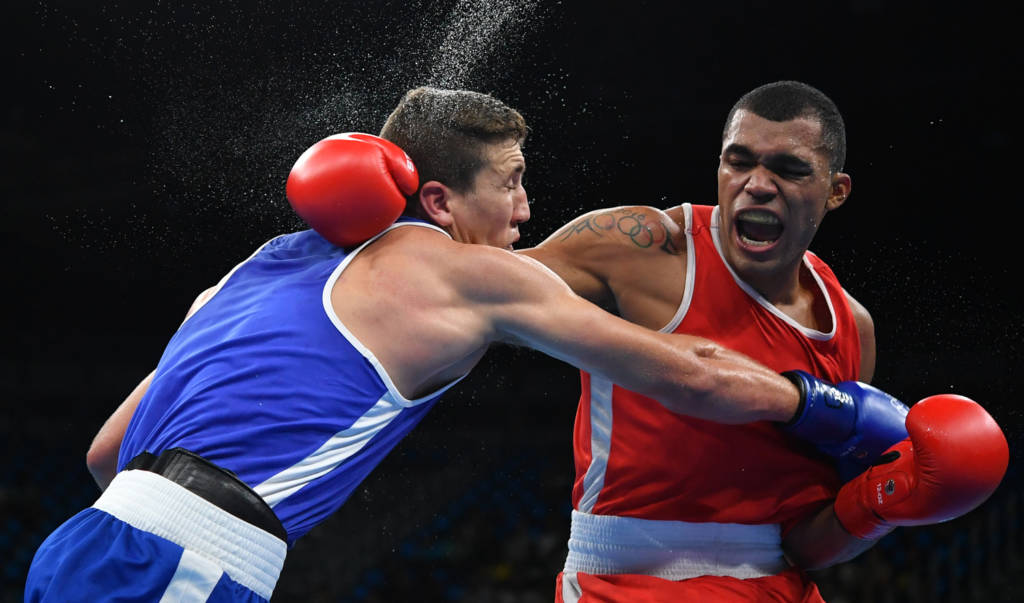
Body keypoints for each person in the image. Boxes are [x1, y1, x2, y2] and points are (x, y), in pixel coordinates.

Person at [25, 86, 909, 602]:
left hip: (82, 543)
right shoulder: (463, 272)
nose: (527, 208)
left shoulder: (252, 268)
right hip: (181, 563)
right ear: (442, 200)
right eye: (513, 182)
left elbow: (108, 453)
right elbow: (696, 373)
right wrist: (832, 405)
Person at [522, 80, 1009, 602]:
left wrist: (878, 505)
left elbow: (803, 545)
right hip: (627, 582)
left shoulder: (849, 328)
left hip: (780, 588)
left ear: (836, 191)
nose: (756, 184)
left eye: (789, 169)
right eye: (739, 162)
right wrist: (450, 212)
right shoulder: (645, 249)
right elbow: (484, 288)